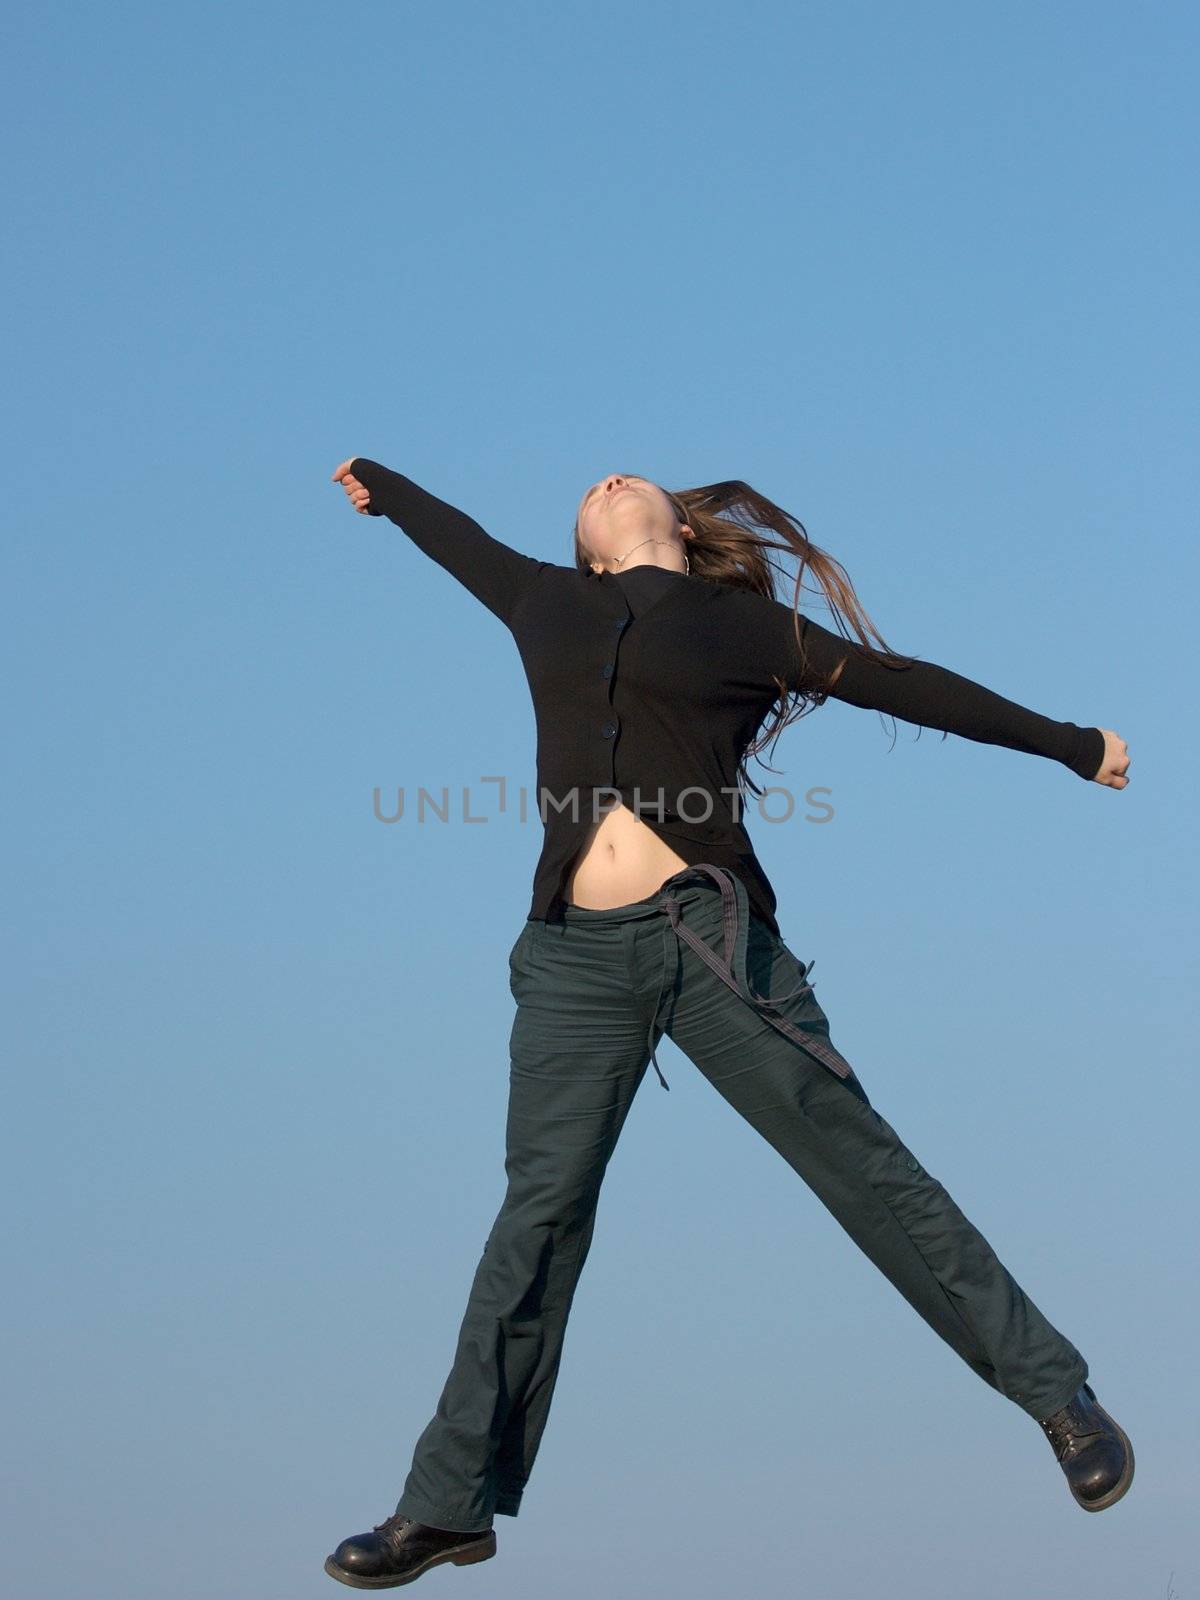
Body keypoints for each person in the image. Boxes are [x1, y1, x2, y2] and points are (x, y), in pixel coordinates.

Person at [322, 456, 1134, 1589]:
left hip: (714, 942)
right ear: (585, 548)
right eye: (590, 491)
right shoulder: (543, 599)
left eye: (631, 476)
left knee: (863, 1163)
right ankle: (446, 1505)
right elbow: (455, 537)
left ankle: (1060, 1397)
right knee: (535, 1217)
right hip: (570, 959)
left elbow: (906, 684)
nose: (608, 477)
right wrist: (387, 489)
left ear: (678, 532)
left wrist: (1068, 740)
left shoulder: (740, 625)